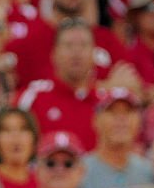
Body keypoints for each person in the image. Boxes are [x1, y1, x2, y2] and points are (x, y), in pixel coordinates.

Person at [17, 19, 104, 153]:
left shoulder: (107, 102)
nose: (76, 52)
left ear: (94, 54)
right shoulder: (32, 97)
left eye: (84, 45)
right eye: (68, 45)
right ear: (54, 54)